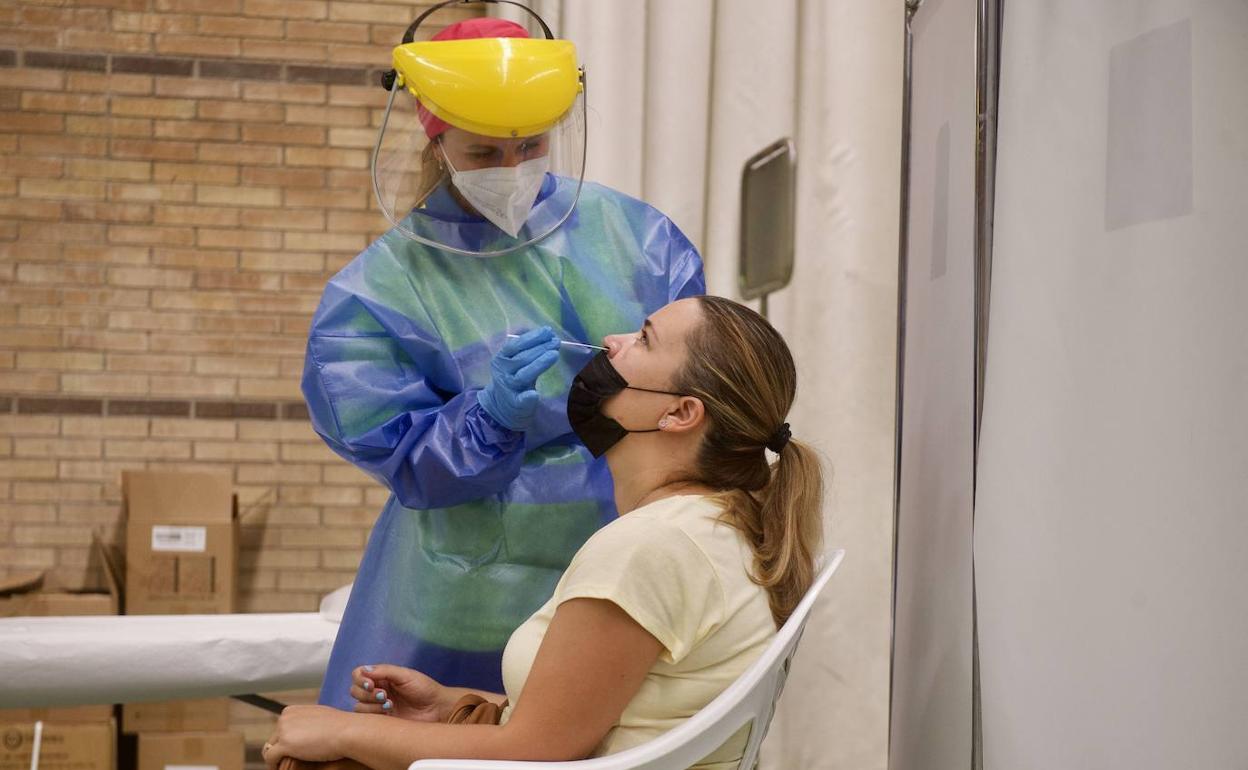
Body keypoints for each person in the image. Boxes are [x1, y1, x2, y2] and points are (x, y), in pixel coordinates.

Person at [302, 7, 705, 709]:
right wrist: (484, 421)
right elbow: (400, 454)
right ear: (435, 140)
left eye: (530, 147)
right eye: (484, 154)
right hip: (469, 595)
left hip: (622, 574)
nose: (512, 170)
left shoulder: (636, 239)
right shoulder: (380, 292)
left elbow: (698, 382)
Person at [267, 296, 825, 769]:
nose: (612, 340)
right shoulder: (719, 526)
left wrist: (341, 732)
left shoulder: (654, 547)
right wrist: (450, 705)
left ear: (679, 413)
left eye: (645, 340)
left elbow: (536, 750)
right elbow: (619, 719)